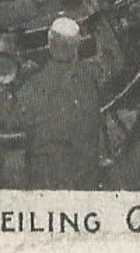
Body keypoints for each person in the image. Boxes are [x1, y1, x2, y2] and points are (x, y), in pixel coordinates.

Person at [6, 17, 103, 190]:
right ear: (77, 45)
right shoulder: (90, 77)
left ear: (49, 43)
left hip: (43, 176)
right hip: (83, 178)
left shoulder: (35, 82)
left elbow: (18, 120)